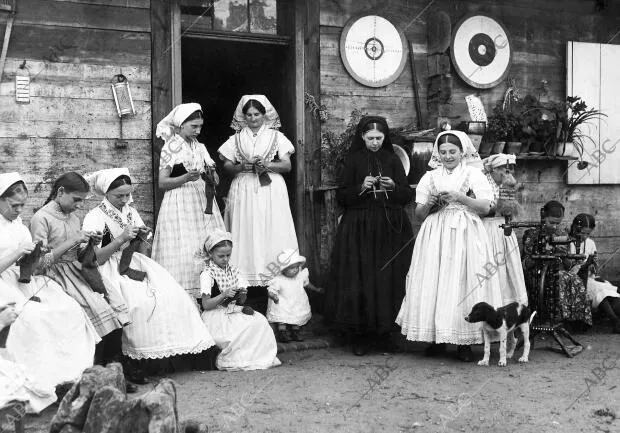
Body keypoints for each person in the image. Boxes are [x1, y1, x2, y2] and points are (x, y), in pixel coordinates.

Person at [82, 168, 216, 368]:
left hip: (133, 261)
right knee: (139, 303)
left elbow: (142, 248)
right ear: (106, 193)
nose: (126, 199)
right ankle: (134, 360)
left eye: (128, 194)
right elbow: (94, 259)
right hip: (108, 268)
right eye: (120, 195)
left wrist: (143, 238)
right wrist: (121, 239)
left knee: (172, 295)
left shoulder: (130, 210)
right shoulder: (95, 216)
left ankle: (169, 357)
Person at [396, 129, 503, 362]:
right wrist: (431, 203)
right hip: (435, 233)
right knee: (436, 281)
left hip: (465, 232)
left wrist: (460, 197)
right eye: (443, 152)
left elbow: (486, 207)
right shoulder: (430, 177)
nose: (447, 156)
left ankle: (464, 342)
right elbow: (420, 214)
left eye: (452, 152)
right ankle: (438, 338)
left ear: (461, 152)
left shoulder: (474, 175)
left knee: (462, 282)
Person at [0, 172, 98, 412]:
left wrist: (34, 255)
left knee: (69, 309)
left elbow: (30, 268)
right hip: (3, 283)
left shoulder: (20, 226)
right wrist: (17, 253)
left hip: (23, 280)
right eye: (14, 205)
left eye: (22, 206)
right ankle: (31, 384)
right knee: (31, 317)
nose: (19, 210)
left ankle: (65, 379)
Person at [324, 116, 414, 356]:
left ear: (385, 138)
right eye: (370, 138)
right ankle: (361, 338)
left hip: (390, 228)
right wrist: (362, 187)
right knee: (361, 278)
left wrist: (394, 186)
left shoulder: (393, 160)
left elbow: (406, 196)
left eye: (379, 138)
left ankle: (388, 336)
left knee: (388, 279)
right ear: (362, 137)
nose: (375, 142)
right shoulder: (353, 161)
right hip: (359, 228)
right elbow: (342, 197)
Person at [29, 172, 130, 368]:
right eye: (76, 200)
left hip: (78, 271)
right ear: (60, 192)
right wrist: (73, 240)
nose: (78, 205)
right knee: (95, 307)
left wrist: (92, 244)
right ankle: (94, 370)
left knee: (114, 299)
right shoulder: (41, 218)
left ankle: (114, 369)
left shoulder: (74, 218)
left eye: (81, 201)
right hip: (54, 275)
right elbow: (39, 263)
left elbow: (83, 257)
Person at [217, 95, 298, 287]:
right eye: (249, 115)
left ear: (264, 114)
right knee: (245, 228)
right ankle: (243, 280)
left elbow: (287, 166)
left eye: (257, 114)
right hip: (243, 187)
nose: (253, 118)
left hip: (270, 188)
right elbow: (227, 166)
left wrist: (267, 164)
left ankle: (275, 279)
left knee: (272, 228)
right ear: (243, 117)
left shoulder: (276, 136)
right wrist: (242, 166)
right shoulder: (235, 138)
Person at [153, 103, 225, 299]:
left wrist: (211, 176)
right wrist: (186, 178)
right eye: (194, 126)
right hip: (179, 201)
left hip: (201, 200)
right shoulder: (171, 146)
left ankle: (206, 293)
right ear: (180, 125)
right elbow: (163, 182)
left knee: (203, 242)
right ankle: (184, 296)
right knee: (184, 246)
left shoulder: (200, 147)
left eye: (200, 126)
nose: (198, 130)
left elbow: (215, 178)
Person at [199, 229, 281, 371]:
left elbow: (241, 302)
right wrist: (224, 294)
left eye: (228, 255)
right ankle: (234, 359)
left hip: (232, 310)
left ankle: (254, 357)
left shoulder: (234, 271)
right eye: (221, 256)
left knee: (259, 321)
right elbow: (206, 305)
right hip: (216, 315)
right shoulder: (207, 274)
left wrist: (242, 294)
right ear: (211, 254)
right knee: (239, 331)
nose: (225, 259)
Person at [521, 201, 593, 331]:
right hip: (536, 274)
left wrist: (561, 253)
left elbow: (568, 264)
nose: (554, 227)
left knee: (573, 279)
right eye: (551, 222)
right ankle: (554, 319)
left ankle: (575, 321)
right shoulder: (531, 234)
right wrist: (541, 252)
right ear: (543, 217)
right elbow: (526, 264)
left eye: (557, 223)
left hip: (557, 271)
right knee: (561, 279)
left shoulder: (561, 234)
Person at [480, 154, 528, 305]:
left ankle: (508, 308)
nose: (510, 173)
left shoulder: (506, 185)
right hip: (487, 228)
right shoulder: (482, 184)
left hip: (503, 229)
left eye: (511, 170)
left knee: (507, 267)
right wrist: (501, 203)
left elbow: (511, 212)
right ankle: (490, 303)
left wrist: (512, 198)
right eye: (505, 170)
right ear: (494, 169)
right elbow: (482, 209)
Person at [568, 213, 620, 333]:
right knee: (599, 290)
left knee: (608, 287)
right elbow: (569, 268)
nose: (585, 236)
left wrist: (593, 267)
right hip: (573, 280)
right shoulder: (567, 242)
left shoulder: (590, 243)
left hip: (589, 278)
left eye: (588, 233)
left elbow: (594, 269)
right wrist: (584, 266)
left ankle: (616, 320)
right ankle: (614, 320)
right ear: (575, 227)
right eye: (582, 232)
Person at [266, 249, 322, 343]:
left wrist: (316, 289)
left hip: (297, 302)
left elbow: (307, 284)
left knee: (296, 318)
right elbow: (271, 290)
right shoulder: (279, 279)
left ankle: (295, 332)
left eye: (297, 267)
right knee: (282, 319)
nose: (295, 270)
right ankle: (282, 333)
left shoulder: (300, 276)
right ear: (283, 270)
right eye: (292, 268)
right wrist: (273, 296)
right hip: (283, 303)